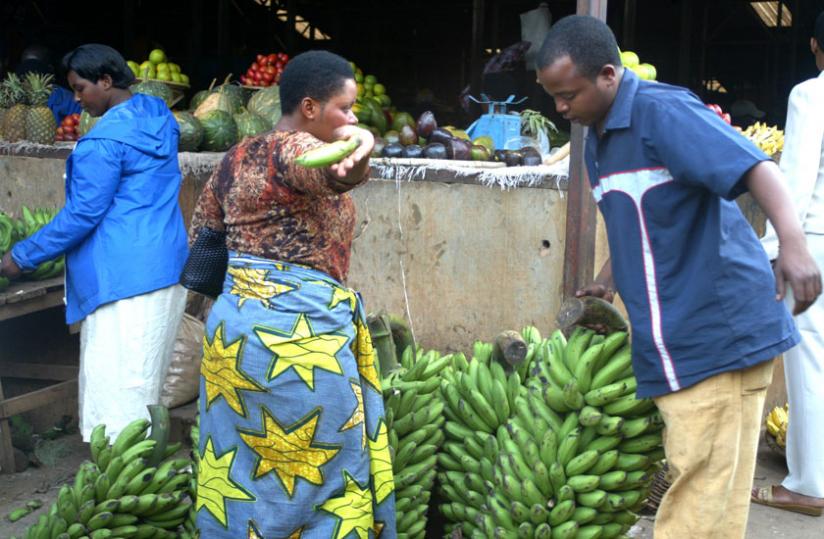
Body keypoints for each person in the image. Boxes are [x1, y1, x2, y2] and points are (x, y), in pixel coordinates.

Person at [536, 15, 821, 539]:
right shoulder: (597, 137)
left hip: (717, 335)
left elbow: (757, 166)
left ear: (607, 75)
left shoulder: (662, 112)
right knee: (701, 491)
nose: (560, 108)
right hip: (672, 341)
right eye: (552, 96)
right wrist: (608, 279)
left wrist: (796, 245)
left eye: (567, 94)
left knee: (699, 505)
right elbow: (635, 217)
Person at [188, 50, 396, 537]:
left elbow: (204, 233)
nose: (352, 118)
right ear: (309, 107)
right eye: (345, 108)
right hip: (298, 341)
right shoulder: (297, 149)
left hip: (234, 339)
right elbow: (334, 173)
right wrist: (361, 146)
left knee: (239, 468)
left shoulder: (235, 156)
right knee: (321, 471)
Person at [0, 44, 188, 442]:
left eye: (81, 87)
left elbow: (82, 215)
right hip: (165, 266)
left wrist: (20, 257)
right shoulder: (159, 118)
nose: (76, 99)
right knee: (144, 381)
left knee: (118, 392)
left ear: (106, 81)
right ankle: (139, 475)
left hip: (124, 277)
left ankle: (119, 485)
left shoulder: (104, 143)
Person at [753, 11, 824, 517]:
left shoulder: (812, 94)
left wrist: (774, 247)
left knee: (812, 365)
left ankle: (809, 485)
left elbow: (795, 179)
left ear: (818, 46)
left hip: (816, 243)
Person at [15, 44, 82, 124]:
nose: (29, 72)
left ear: (50, 69)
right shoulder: (14, 100)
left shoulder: (70, 101)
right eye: (25, 65)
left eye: (35, 66)